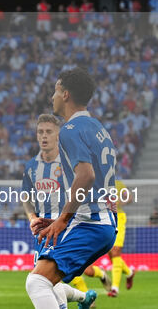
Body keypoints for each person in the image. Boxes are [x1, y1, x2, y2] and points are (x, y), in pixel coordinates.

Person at [26, 68, 117, 309]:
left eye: (55, 91)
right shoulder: (99, 129)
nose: (52, 97)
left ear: (65, 94)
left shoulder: (69, 130)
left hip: (91, 224)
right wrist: (61, 218)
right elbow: (101, 184)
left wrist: (63, 220)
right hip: (100, 222)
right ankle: (84, 300)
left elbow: (86, 176)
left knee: (37, 283)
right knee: (50, 282)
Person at [21, 114, 102, 309]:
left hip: (66, 228)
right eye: (40, 132)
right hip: (42, 232)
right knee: (46, 281)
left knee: (39, 282)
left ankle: (81, 300)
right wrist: (32, 217)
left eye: (49, 131)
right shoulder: (32, 166)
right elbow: (25, 197)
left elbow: (89, 183)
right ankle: (84, 298)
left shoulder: (70, 162)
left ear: (58, 136)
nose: (44, 136)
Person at [107, 178, 135, 297]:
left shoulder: (118, 184)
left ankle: (114, 288)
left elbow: (129, 197)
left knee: (116, 251)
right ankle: (129, 272)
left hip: (119, 218)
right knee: (110, 253)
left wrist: (121, 202)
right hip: (105, 219)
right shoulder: (97, 184)